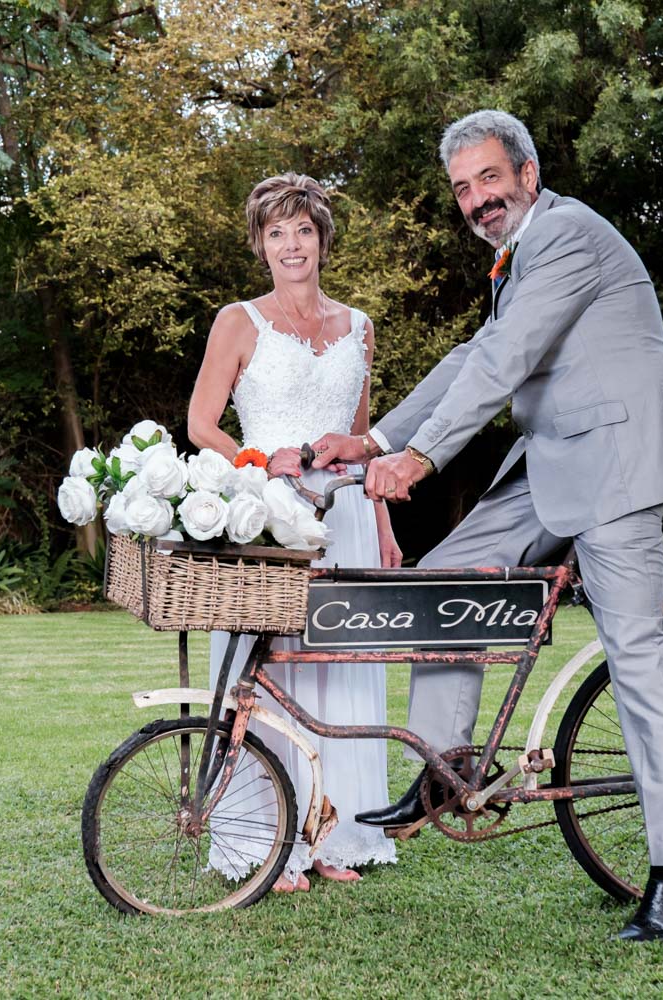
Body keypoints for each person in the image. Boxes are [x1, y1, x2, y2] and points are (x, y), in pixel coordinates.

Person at [310, 111, 663, 940]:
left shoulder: (567, 235)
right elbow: (473, 355)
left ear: (528, 173)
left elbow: (505, 361)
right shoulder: (518, 255)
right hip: (551, 464)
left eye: (489, 179)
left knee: (636, 659)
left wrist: (421, 458)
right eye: (462, 188)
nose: (476, 200)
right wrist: (376, 440)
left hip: (618, 467)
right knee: (442, 584)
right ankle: (443, 768)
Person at [187, 172, 401, 892]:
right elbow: (201, 424)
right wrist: (255, 461)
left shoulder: (360, 326)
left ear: (322, 240)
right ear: (260, 244)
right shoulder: (238, 321)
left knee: (340, 670)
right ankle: (268, 839)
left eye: (302, 230)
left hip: (348, 519)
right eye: (276, 232)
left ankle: (333, 834)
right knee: (271, 672)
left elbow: (365, 440)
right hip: (271, 518)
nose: (291, 245)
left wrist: (384, 525)